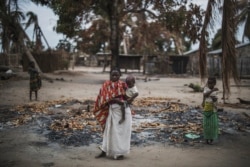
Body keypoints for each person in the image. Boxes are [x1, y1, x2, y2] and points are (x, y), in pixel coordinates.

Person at [93, 68, 132, 160]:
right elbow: (103, 98)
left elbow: (128, 97)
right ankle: (104, 150)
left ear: (120, 76)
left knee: (121, 132)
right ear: (110, 75)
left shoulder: (123, 85)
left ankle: (119, 153)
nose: (114, 77)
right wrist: (115, 100)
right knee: (109, 131)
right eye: (113, 75)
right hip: (112, 111)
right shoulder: (106, 85)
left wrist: (124, 101)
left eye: (117, 75)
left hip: (124, 111)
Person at [202, 77, 219, 145]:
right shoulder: (206, 89)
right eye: (208, 83)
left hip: (213, 110)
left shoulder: (216, 91)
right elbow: (205, 95)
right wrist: (203, 101)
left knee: (212, 125)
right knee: (206, 125)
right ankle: (206, 139)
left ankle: (211, 139)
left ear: (214, 83)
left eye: (211, 83)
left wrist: (214, 99)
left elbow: (216, 100)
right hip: (206, 109)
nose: (209, 84)